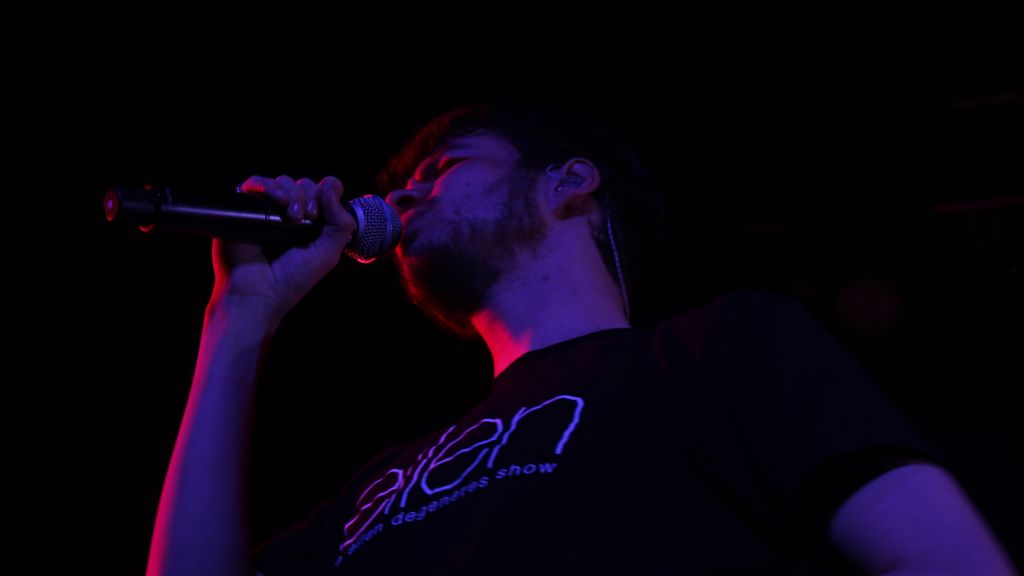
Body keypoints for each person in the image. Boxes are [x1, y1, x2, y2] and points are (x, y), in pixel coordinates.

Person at [146, 103, 1018, 576]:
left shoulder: (717, 349)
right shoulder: (377, 485)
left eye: (442, 169)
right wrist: (239, 318)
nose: (404, 198)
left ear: (569, 183)